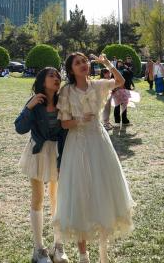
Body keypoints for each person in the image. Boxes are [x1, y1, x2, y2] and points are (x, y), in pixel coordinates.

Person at [55, 53, 134, 263]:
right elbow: (64, 123)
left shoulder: (98, 85)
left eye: (84, 61)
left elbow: (120, 81)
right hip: (76, 144)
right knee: (80, 194)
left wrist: (107, 63)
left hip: (99, 143)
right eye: (77, 63)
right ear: (71, 69)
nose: (83, 65)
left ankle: (103, 254)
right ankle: (83, 255)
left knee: (103, 192)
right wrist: (79, 119)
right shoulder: (67, 91)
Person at [16, 67, 69, 263]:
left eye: (58, 75)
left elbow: (67, 129)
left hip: (59, 153)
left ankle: (59, 246)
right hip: (37, 152)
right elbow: (20, 128)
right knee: (38, 198)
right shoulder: (35, 102)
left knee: (58, 198)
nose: (56, 78)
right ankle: (39, 249)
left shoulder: (64, 101)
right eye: (51, 75)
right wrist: (28, 107)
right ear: (42, 81)